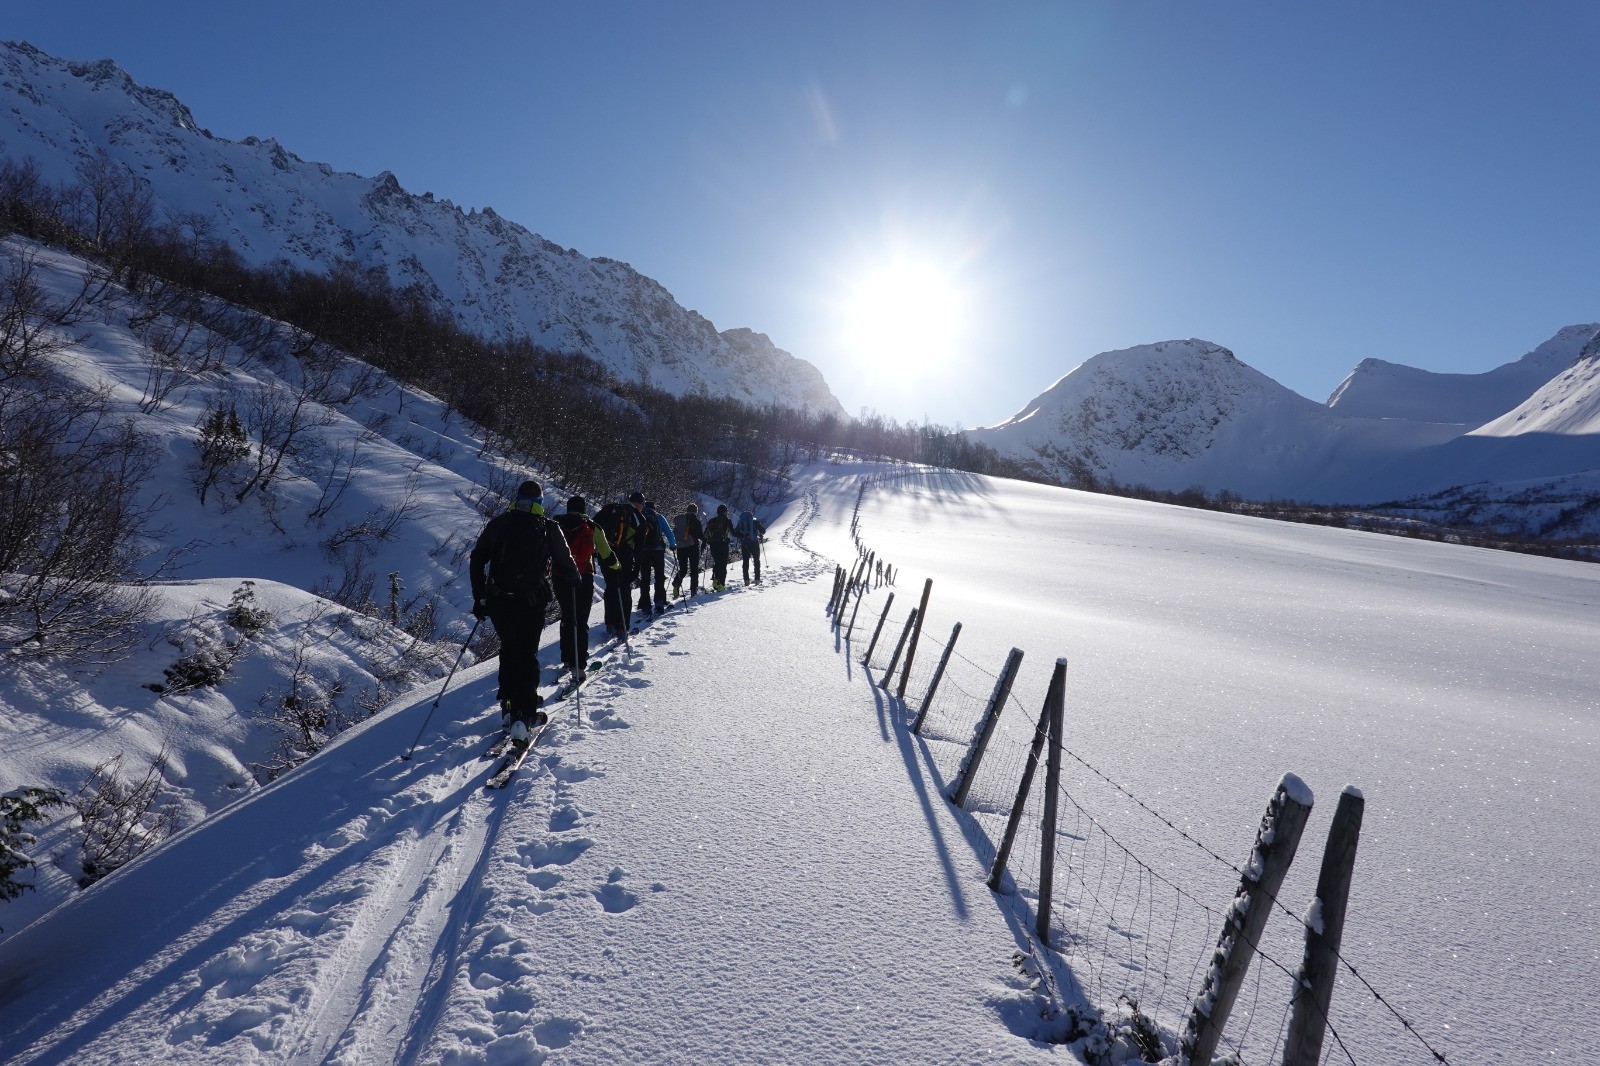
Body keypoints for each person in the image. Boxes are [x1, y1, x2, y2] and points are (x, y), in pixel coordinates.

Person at [470, 480, 579, 744]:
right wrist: (575, 580)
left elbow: (477, 559)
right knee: (527, 654)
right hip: (531, 601)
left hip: (499, 601)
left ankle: (508, 705)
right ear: (540, 502)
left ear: (517, 498)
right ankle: (524, 714)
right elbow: (566, 562)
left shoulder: (501, 523)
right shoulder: (548, 528)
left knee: (509, 650)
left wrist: (480, 597)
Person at [553, 495, 619, 679]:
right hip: (584, 576)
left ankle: (567, 659)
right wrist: (617, 566)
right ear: (583, 509)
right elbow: (606, 552)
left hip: (560, 576)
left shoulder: (555, 524)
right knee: (581, 620)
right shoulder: (592, 526)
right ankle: (579, 665)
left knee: (567, 616)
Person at [594, 496, 642, 637]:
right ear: (639, 504)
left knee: (611, 587)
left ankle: (610, 624)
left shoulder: (609, 510)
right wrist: (636, 568)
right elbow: (639, 547)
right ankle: (622, 627)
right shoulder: (638, 517)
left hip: (605, 555)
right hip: (625, 557)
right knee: (624, 590)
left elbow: (593, 527)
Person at [636, 498, 676, 614]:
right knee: (659, 576)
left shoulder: (639, 516)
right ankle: (659, 601)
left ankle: (645, 605)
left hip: (644, 551)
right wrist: (672, 545)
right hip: (658, 550)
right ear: (654, 508)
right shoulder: (659, 517)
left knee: (645, 577)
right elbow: (669, 532)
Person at [672, 502, 704, 598]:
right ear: (696, 511)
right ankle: (694, 590)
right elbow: (700, 535)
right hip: (693, 547)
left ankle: (676, 583)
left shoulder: (680, 521)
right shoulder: (696, 521)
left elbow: (674, 533)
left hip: (681, 547)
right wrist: (705, 541)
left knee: (683, 569)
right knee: (694, 569)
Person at [703, 503, 734, 592]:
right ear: (724, 512)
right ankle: (721, 585)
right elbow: (734, 533)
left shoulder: (711, 521)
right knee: (723, 565)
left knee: (717, 563)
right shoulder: (727, 521)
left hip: (713, 545)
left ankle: (715, 581)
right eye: (726, 511)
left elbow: (705, 534)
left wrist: (705, 543)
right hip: (723, 545)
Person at [735, 508, 766, 585]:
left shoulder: (740, 522)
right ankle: (757, 579)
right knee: (756, 561)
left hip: (744, 544)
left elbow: (735, 533)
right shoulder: (754, 522)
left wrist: (742, 536)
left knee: (745, 562)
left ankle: (746, 580)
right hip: (754, 543)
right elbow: (763, 531)